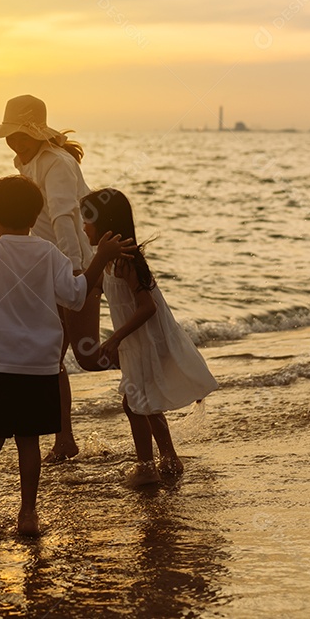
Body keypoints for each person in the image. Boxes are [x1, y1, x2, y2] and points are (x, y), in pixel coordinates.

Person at [0, 175, 132, 542]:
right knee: (28, 442)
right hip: (40, 364)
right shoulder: (50, 253)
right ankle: (28, 513)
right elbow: (75, 296)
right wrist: (99, 260)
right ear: (36, 214)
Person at [0, 94, 103, 464]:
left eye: (22, 135)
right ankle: (64, 439)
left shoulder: (56, 163)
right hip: (51, 267)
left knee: (87, 356)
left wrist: (75, 272)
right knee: (52, 357)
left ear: (37, 133)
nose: (16, 143)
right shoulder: (27, 162)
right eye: (12, 136)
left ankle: (148, 361)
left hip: (78, 265)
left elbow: (65, 218)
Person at [79, 188, 218, 487]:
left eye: (87, 221)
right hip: (136, 343)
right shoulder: (109, 262)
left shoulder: (127, 261)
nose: (83, 227)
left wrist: (115, 338)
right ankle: (168, 458)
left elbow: (148, 307)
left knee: (135, 404)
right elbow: (97, 290)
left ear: (106, 223)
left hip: (145, 342)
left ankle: (146, 466)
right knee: (143, 403)